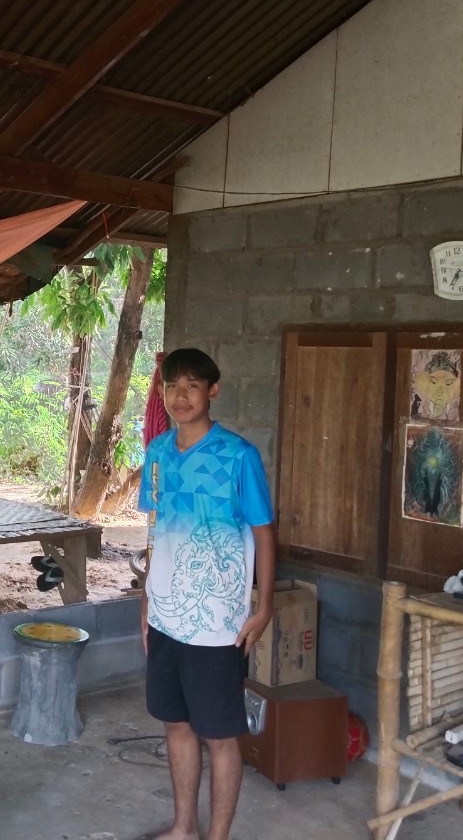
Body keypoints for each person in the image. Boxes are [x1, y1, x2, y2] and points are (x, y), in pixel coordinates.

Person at [138, 347, 275, 840]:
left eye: (192, 386)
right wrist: (146, 600)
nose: (181, 396)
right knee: (176, 724)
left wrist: (264, 605)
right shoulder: (156, 453)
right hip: (166, 615)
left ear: (212, 391)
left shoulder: (238, 456)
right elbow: (155, 531)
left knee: (219, 735)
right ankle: (184, 829)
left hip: (217, 623)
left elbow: (263, 532)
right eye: (172, 386)